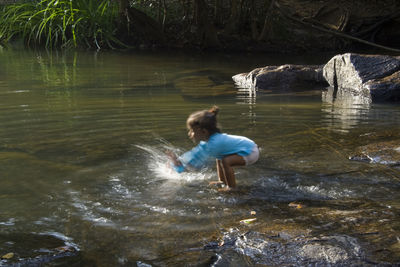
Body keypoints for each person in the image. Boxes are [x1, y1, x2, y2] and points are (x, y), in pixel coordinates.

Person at [167, 106, 259, 191]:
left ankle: (231, 188)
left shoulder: (212, 145)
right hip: (248, 147)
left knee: (226, 161)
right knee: (220, 158)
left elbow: (192, 162)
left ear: (203, 131)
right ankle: (222, 181)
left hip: (250, 152)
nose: (189, 134)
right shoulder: (209, 142)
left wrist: (177, 165)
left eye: (192, 131)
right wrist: (177, 161)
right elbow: (192, 155)